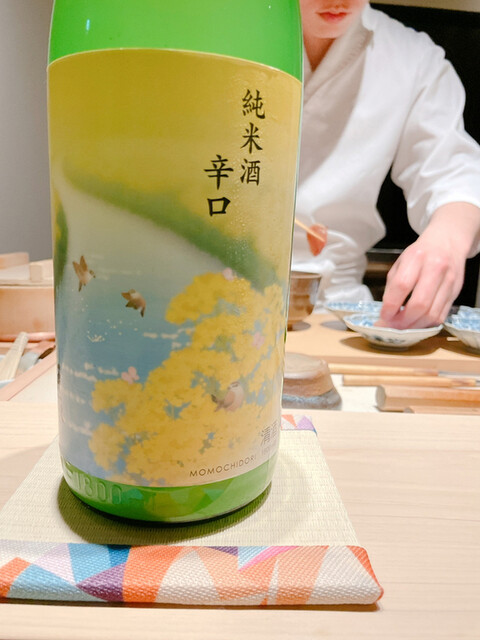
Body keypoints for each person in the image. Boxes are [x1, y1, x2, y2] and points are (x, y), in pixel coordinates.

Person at [293, 0, 480, 328]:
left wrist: (447, 239)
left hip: (333, 309)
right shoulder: (221, 25)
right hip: (209, 288)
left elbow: (452, 171)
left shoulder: (413, 58)